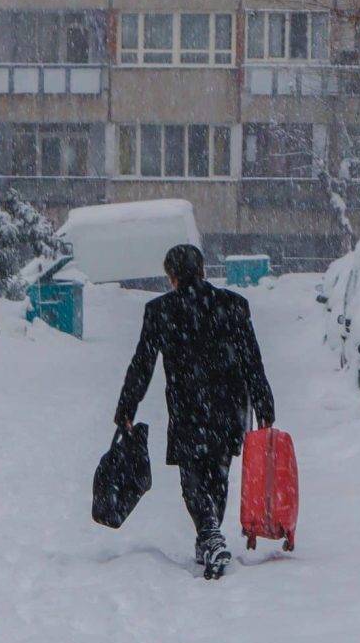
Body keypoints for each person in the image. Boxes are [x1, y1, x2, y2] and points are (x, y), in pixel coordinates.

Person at [114, 244, 275, 579]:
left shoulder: (161, 310)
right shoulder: (233, 305)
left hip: (188, 406)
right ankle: (209, 536)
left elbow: (141, 364)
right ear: (203, 271)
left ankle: (209, 534)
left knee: (192, 480)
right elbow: (252, 360)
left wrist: (127, 407)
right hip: (229, 407)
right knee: (218, 474)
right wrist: (264, 404)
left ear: (171, 278)